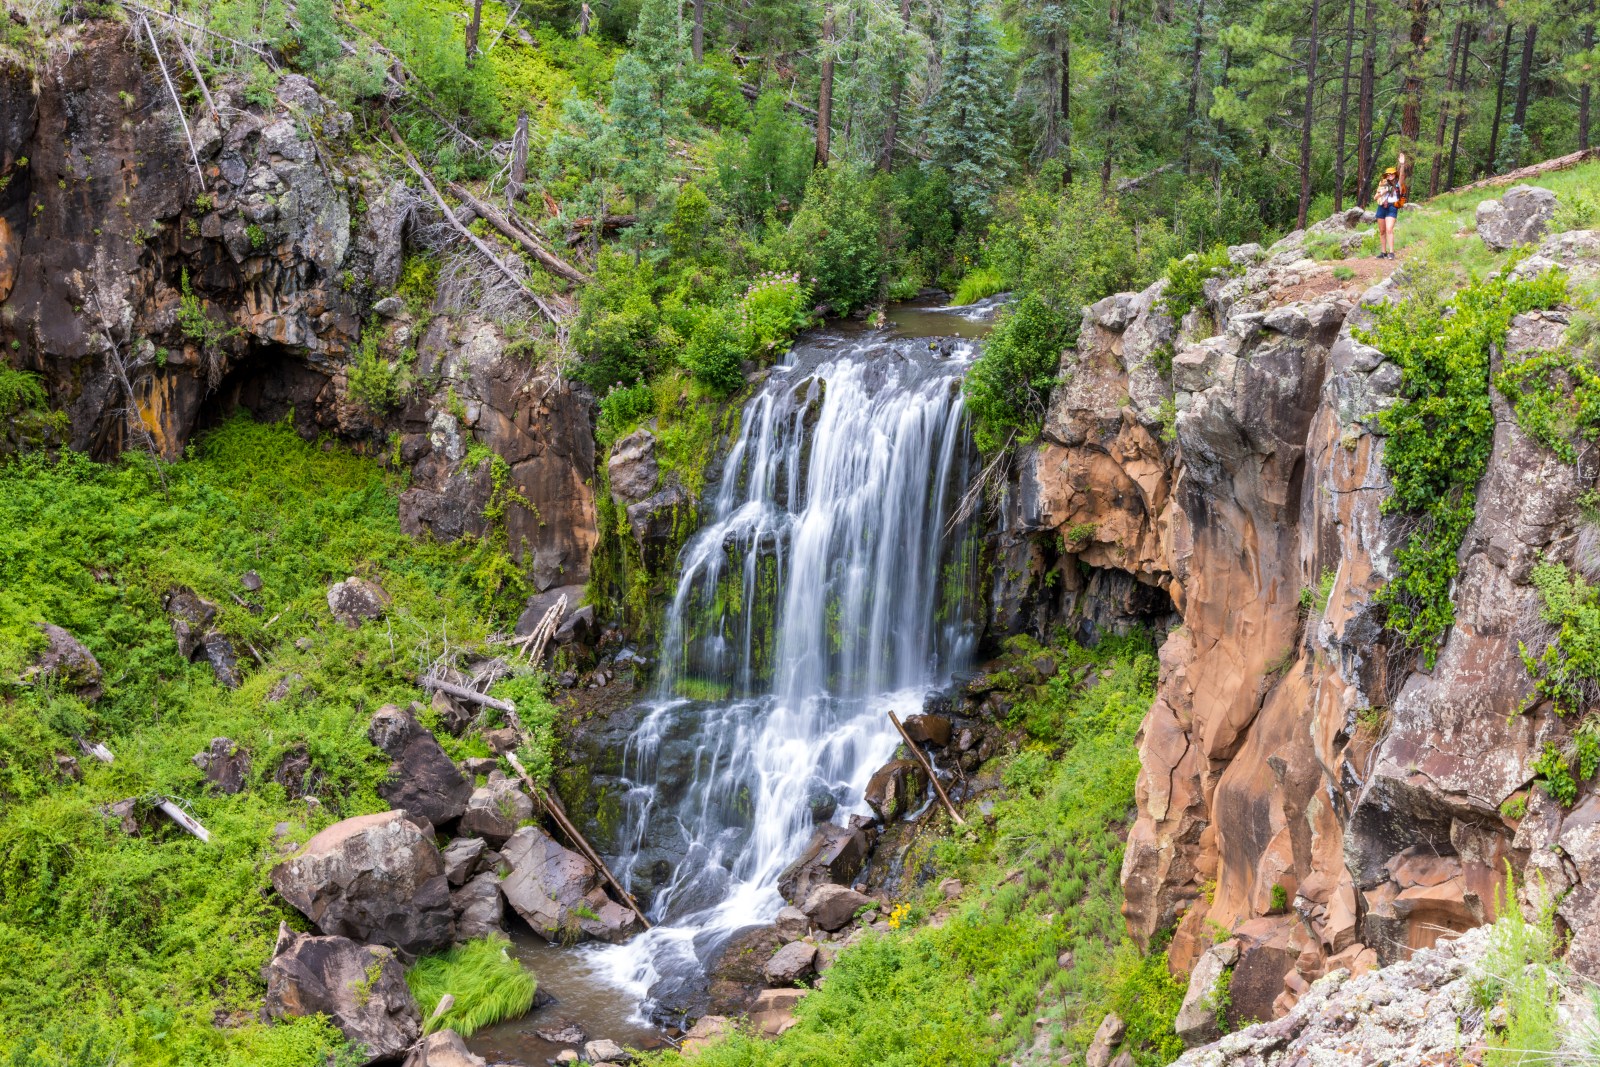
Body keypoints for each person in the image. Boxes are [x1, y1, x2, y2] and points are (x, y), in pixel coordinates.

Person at [1373, 166, 1403, 260]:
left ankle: (1391, 252)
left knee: (1389, 229)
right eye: (1388, 174)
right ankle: (1383, 252)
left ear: (1395, 175)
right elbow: (1375, 197)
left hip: (1392, 207)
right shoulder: (1382, 184)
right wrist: (1383, 192)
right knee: (1382, 231)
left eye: (1392, 174)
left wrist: (1402, 164)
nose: (1390, 175)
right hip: (1382, 207)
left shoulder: (1398, 184)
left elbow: (1402, 175)